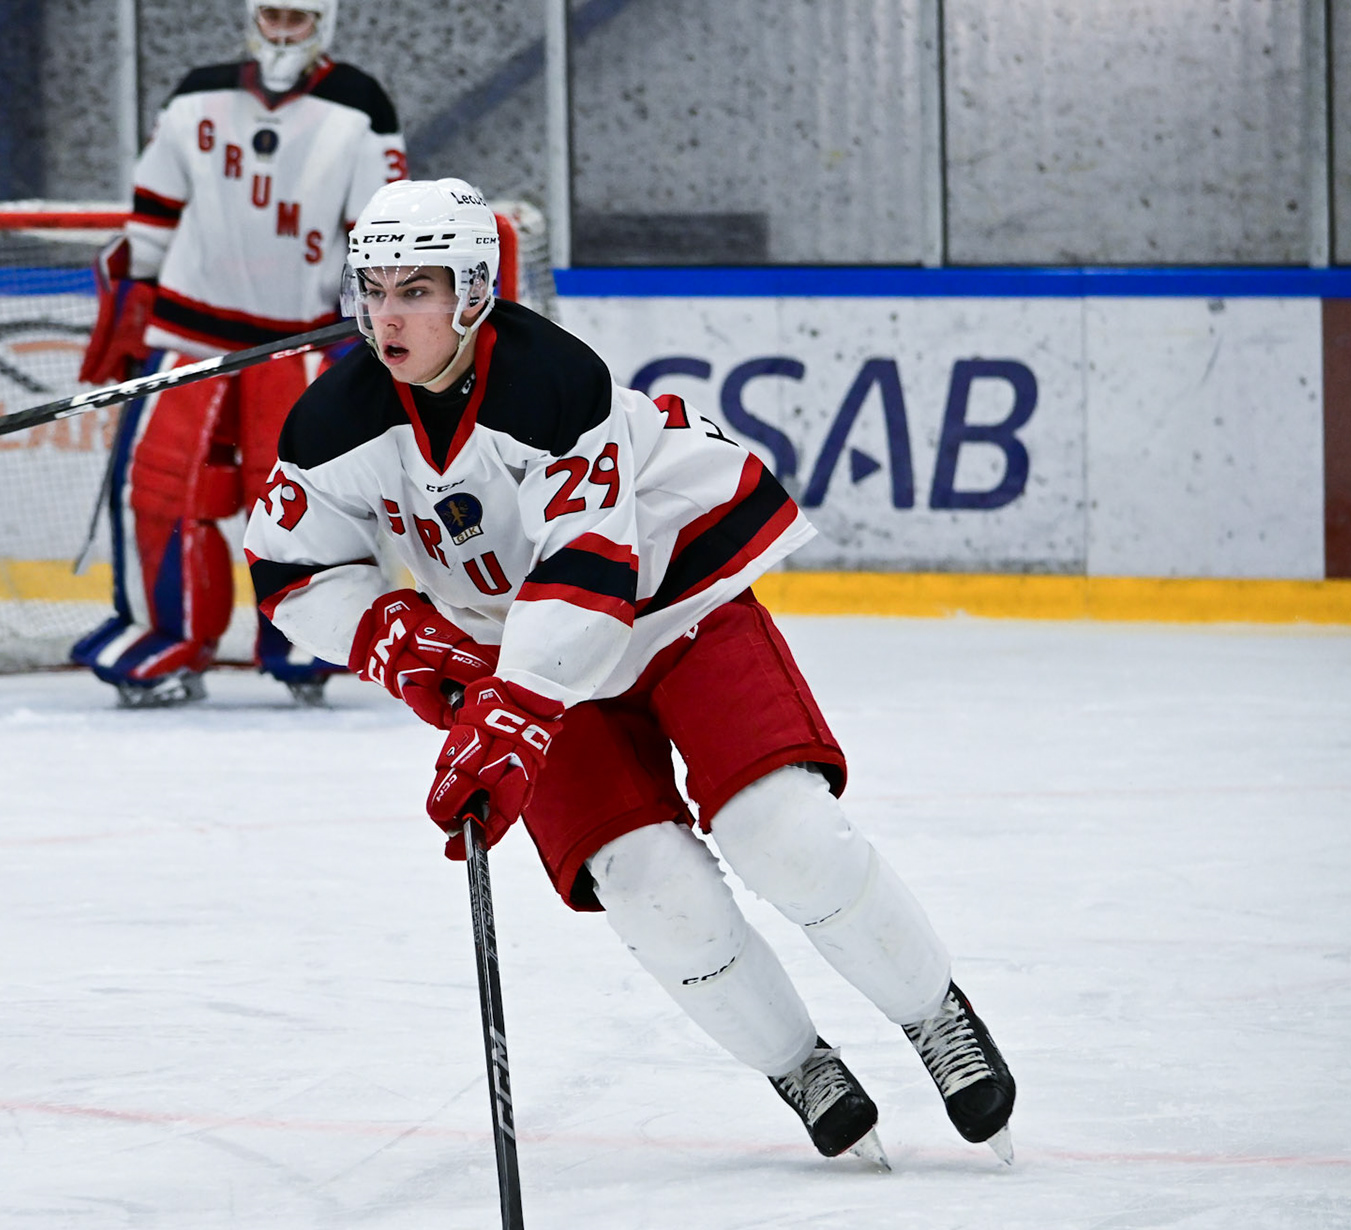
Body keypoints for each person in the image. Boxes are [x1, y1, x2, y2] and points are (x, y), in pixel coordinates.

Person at [244, 179, 1017, 1165]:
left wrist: (512, 711)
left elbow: (590, 569)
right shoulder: (332, 423)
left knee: (784, 833)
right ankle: (800, 1064)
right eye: (375, 290)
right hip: (522, 651)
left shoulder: (553, 381)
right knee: (649, 887)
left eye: (418, 290)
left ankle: (933, 1013)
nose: (389, 316)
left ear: (474, 292)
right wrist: (394, 635)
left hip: (671, 599)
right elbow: (290, 569)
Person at [71, 0, 406, 707]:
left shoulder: (360, 104)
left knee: (309, 500)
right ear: (252, 18)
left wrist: (369, 330)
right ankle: (162, 636)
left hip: (299, 340)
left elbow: (377, 232)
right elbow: (153, 213)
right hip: (187, 335)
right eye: (272, 15)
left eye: (298, 19)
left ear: (323, 24)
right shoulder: (197, 93)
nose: (282, 32)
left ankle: (310, 641)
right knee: (156, 489)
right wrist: (131, 304)